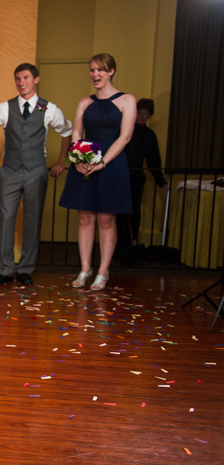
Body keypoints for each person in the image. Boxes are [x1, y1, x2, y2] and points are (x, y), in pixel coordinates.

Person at [0, 63, 73, 287]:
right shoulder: (4, 107)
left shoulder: (49, 109)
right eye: (18, 79)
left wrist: (61, 161)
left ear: (36, 80)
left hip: (36, 170)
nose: (22, 83)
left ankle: (26, 270)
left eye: (26, 78)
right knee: (6, 219)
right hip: (9, 170)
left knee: (33, 220)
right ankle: (4, 271)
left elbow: (67, 131)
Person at [58, 53, 136, 291]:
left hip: (111, 165)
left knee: (105, 219)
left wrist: (102, 163)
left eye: (100, 70)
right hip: (84, 164)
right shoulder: (85, 102)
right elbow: (76, 134)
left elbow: (126, 136)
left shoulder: (127, 100)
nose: (95, 74)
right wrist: (80, 159)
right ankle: (84, 269)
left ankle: (102, 272)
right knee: (84, 218)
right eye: (92, 70)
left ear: (111, 71)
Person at [116, 98, 168, 250]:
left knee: (134, 210)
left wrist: (161, 181)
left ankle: (130, 244)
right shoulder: (124, 129)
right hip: (119, 174)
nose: (141, 115)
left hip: (137, 177)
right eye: (138, 112)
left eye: (145, 113)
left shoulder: (149, 135)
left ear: (150, 116)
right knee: (117, 211)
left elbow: (153, 160)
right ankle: (116, 245)